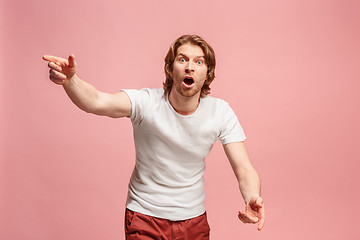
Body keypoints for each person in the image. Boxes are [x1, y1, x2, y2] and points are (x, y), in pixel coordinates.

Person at [43, 34, 265, 239]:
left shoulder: (220, 112)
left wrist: (252, 196)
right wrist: (71, 80)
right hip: (144, 217)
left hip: (194, 220)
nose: (190, 67)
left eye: (199, 62)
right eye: (182, 59)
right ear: (170, 68)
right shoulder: (146, 102)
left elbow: (244, 167)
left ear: (208, 73)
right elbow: (96, 101)